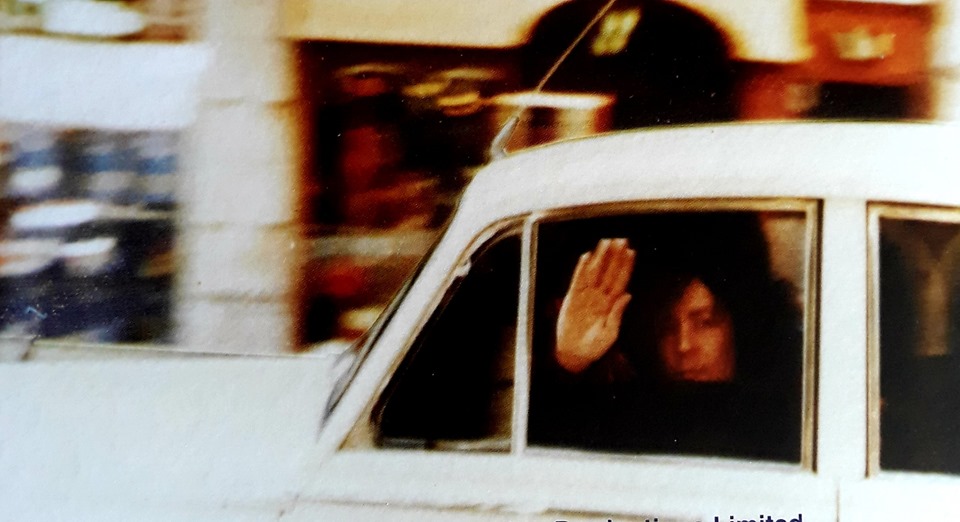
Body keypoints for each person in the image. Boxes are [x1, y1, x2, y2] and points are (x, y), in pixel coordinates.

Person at [528, 213, 803, 462]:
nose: (684, 345)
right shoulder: (633, 414)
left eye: (706, 322)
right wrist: (569, 360)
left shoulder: (793, 412)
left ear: (743, 326)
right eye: (666, 327)